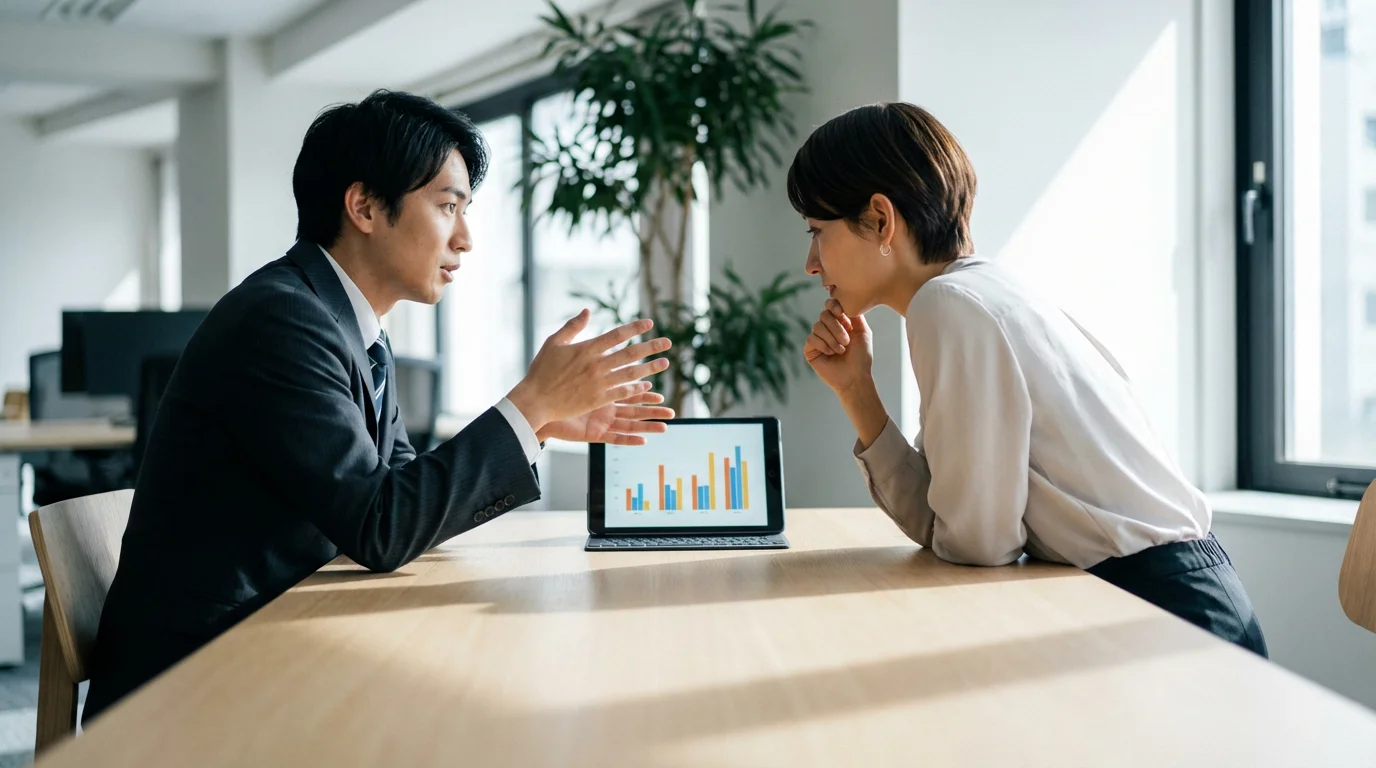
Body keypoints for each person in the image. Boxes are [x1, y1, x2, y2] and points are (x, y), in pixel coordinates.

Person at [84, 90, 676, 721]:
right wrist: (526, 407)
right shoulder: (283, 320)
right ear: (364, 206)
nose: (467, 239)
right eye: (449, 206)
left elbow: (396, 498)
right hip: (192, 685)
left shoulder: (349, 325)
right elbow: (381, 528)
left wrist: (538, 425)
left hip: (270, 642)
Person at [787, 102, 1267, 656]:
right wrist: (857, 392)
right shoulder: (976, 292)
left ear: (880, 218)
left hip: (1170, 612)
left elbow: (976, 543)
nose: (811, 263)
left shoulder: (951, 306)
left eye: (817, 231)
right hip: (1169, 593)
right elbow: (950, 524)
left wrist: (960, 530)